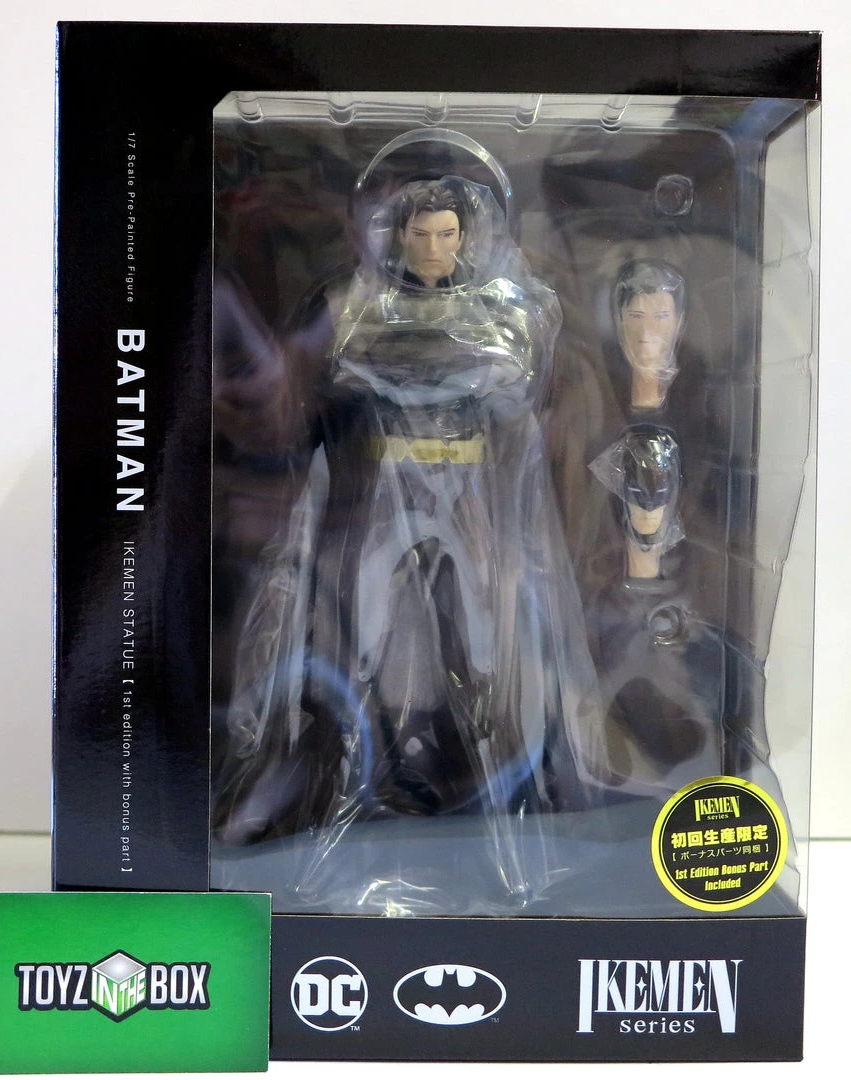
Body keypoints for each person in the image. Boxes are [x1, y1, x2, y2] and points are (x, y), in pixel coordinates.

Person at [214, 169, 611, 912]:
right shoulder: (356, 305)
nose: (433, 247)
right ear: (398, 237)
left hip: (468, 495)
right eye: (421, 233)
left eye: (446, 234)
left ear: (467, 238)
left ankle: (503, 828)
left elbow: (514, 383)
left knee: (485, 659)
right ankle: (340, 806)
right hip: (383, 492)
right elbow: (334, 380)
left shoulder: (506, 310)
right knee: (362, 651)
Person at [614, 259, 685, 410]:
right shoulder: (600, 391)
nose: (648, 329)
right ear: (621, 322)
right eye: (637, 316)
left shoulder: (690, 400)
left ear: (678, 323)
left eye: (661, 316)